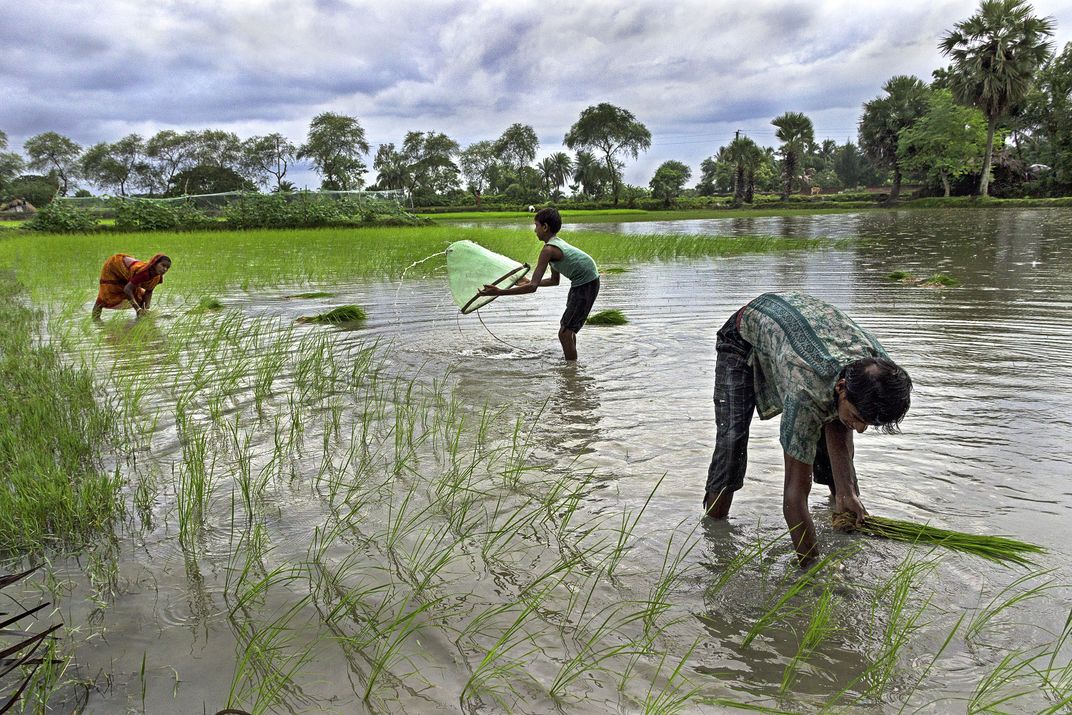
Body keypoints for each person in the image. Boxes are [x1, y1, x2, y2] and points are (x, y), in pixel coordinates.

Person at [703, 292, 912, 566]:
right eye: (859, 418)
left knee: (837, 425)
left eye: (868, 424)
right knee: (733, 441)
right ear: (841, 388)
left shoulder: (880, 372)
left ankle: (844, 509)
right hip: (743, 339)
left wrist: (847, 491)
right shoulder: (806, 391)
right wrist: (811, 568)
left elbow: (840, 424)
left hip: (808, 345)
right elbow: (794, 495)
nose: (861, 430)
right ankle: (714, 531)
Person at [478, 207, 599, 361]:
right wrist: (528, 282)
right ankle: (571, 362)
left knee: (565, 333)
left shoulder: (549, 250)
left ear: (545, 227)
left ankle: (572, 372)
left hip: (586, 284)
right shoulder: (552, 246)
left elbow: (532, 288)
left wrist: (499, 292)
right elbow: (554, 281)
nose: (535, 230)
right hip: (582, 283)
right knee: (567, 329)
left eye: (536, 225)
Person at [92, 253, 172, 320]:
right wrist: (138, 309)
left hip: (127, 271)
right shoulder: (144, 273)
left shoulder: (156, 277)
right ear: (154, 264)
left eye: (167, 268)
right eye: (163, 265)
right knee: (105, 295)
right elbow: (127, 289)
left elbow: (149, 292)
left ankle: (141, 318)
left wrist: (146, 310)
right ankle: (96, 322)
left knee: (140, 297)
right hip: (114, 266)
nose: (165, 269)